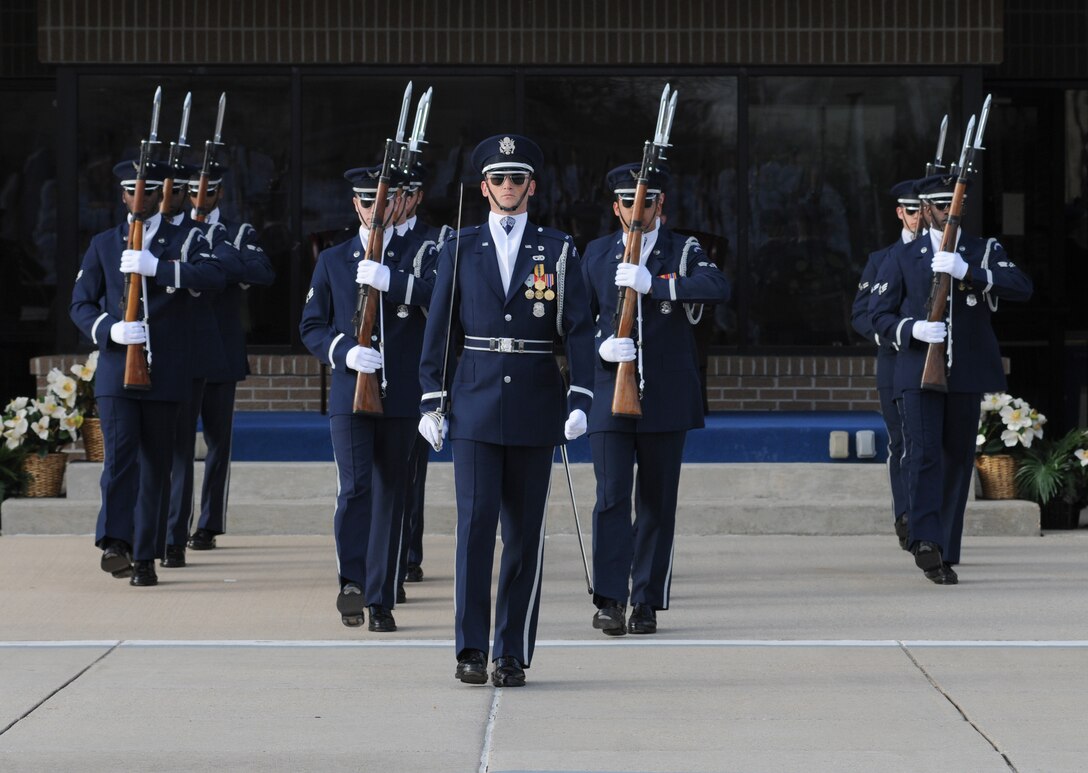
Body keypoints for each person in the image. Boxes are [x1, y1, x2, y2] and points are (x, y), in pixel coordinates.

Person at [417, 134, 595, 687]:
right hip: (474, 402)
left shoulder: (558, 248)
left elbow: (578, 328)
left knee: (523, 536)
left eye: (518, 178)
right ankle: (470, 649)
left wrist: (582, 396)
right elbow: (440, 328)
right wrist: (432, 398)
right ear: (484, 187)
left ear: (531, 187)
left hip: (536, 403)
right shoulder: (459, 245)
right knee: (474, 530)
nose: (508, 186)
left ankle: (511, 651)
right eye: (499, 178)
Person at [580, 163, 730, 636]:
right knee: (610, 498)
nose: (637, 210)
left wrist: (657, 284)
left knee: (657, 502)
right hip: (610, 391)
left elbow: (716, 286)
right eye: (628, 202)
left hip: (665, 395)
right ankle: (609, 599)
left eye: (646, 201)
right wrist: (601, 347)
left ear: (660, 204)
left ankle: (645, 599)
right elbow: (576, 320)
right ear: (616, 207)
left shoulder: (682, 249)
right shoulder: (597, 252)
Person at [869, 173, 1033, 585]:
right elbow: (878, 315)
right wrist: (912, 329)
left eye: (952, 205)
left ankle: (945, 543)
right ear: (924, 210)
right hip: (917, 372)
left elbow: (1021, 286)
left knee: (956, 460)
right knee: (923, 454)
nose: (947, 213)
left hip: (966, 373)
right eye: (939, 206)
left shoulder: (981, 250)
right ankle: (926, 543)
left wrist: (968, 270)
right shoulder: (902, 257)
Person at [69, 159, 227, 586]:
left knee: (157, 465)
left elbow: (214, 275)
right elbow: (80, 304)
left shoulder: (186, 237)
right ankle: (115, 542)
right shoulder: (104, 243)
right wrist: (110, 329)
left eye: (148, 191)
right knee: (119, 458)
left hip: (167, 369)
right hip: (117, 368)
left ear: (160, 196)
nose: (138, 198)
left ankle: (145, 556)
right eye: (131, 191)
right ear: (123, 196)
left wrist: (159, 268)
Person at [300, 164, 436, 632]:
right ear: (355, 204)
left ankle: (381, 598)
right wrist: (344, 352)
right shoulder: (334, 259)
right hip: (351, 394)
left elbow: (443, 299)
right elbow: (311, 325)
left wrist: (390, 280)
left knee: (392, 495)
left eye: (387, 199)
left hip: (402, 396)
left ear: (401, 201)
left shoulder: (421, 252)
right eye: (367, 200)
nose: (377, 208)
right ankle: (353, 583)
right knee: (355, 488)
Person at [162, 161, 275, 565]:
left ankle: (208, 524)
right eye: (191, 191)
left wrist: (213, 265)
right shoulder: (172, 232)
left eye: (206, 192)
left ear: (220, 193)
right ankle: (174, 530)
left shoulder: (236, 232)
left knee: (217, 442)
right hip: (183, 350)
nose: (198, 199)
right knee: (178, 445)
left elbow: (262, 272)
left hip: (222, 349)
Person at [850, 180, 921, 551]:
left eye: (923, 210)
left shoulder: (943, 253)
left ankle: (929, 520)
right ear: (900, 213)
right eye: (911, 211)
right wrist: (892, 335)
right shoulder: (882, 259)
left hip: (931, 361)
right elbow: (861, 314)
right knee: (901, 442)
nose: (918, 218)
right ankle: (906, 517)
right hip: (894, 361)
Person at [394, 162, 452, 592]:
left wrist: (393, 282)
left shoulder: (437, 240)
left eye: (402, 194)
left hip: (416, 371)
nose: (392, 203)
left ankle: (407, 555)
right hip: (369, 371)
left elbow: (441, 295)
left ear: (416, 197)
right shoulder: (364, 243)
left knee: (411, 472)